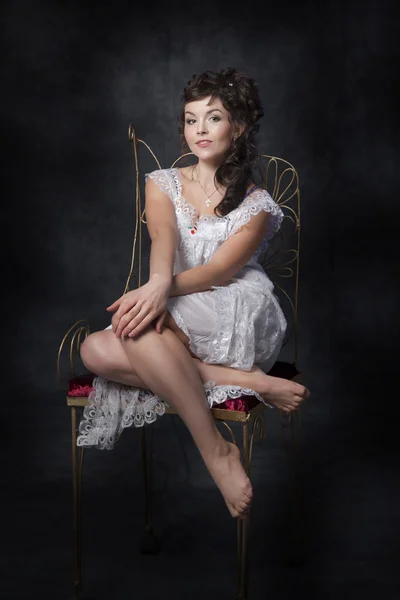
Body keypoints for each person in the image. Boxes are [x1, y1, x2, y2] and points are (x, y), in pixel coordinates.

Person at [77, 67, 310, 520]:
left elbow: (219, 271)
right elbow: (163, 237)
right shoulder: (162, 181)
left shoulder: (258, 203)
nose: (199, 129)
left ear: (238, 126)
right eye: (190, 119)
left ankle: (214, 451)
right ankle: (253, 384)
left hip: (235, 301)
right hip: (176, 298)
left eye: (214, 117)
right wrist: (158, 284)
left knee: (136, 332)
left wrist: (159, 294)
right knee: (94, 351)